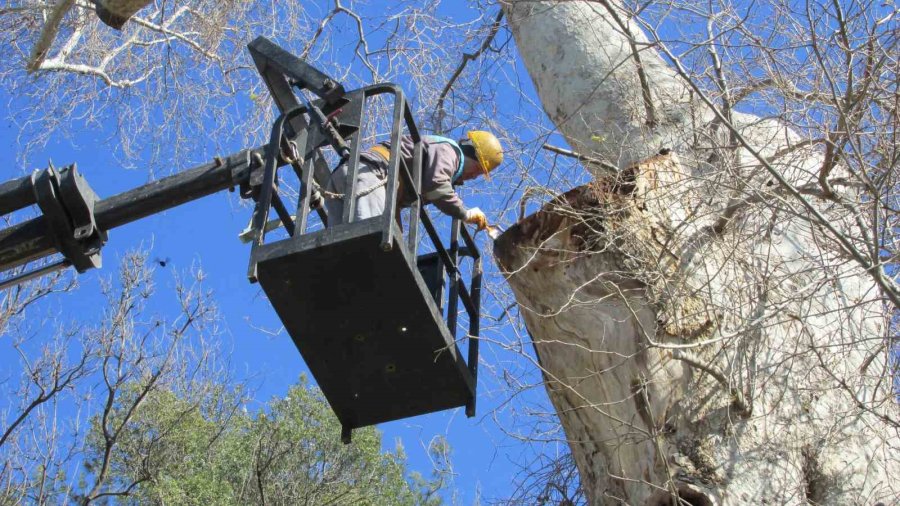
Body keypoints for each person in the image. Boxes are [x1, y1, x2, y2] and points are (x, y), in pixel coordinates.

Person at [324, 131, 502, 230]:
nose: (473, 177)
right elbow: (437, 185)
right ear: (471, 155)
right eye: (477, 170)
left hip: (351, 177)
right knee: (368, 245)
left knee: (343, 249)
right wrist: (465, 213)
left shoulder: (437, 155)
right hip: (369, 177)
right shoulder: (449, 151)